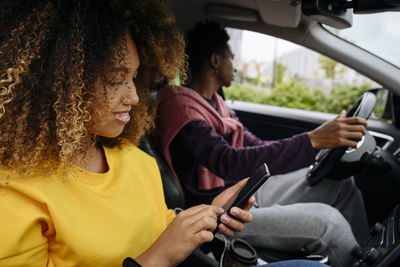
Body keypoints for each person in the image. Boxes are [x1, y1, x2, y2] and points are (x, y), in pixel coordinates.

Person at [0, 1, 331, 267]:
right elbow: (161, 248)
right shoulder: (14, 195)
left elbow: (158, 227)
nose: (133, 96)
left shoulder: (133, 158)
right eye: (116, 79)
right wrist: (156, 258)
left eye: (134, 78)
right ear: (58, 82)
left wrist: (209, 215)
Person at [157, 20, 370, 267]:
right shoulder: (181, 109)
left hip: (248, 189)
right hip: (220, 212)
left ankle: (366, 256)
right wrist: (312, 140)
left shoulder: (216, 105)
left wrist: (318, 142)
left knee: (342, 185)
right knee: (329, 223)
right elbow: (227, 162)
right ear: (216, 61)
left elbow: (255, 145)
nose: (234, 67)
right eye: (231, 58)